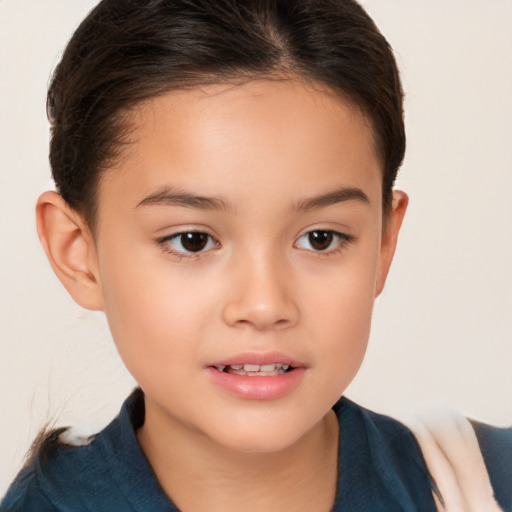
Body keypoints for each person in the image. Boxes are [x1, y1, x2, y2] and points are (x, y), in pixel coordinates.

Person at [1, 0, 510, 511]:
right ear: (77, 251)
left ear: (383, 242)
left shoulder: (490, 484)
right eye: (192, 240)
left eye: (320, 238)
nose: (265, 305)